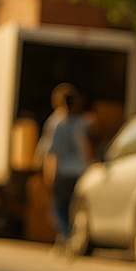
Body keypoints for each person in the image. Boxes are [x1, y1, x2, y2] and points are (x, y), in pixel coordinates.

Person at [36, 83, 91, 246]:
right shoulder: (81, 122)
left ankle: (67, 236)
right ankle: (72, 236)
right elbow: (85, 147)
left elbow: (52, 151)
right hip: (79, 170)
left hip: (62, 171)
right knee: (74, 206)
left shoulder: (55, 122)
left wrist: (49, 174)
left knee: (59, 207)